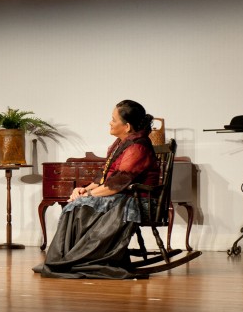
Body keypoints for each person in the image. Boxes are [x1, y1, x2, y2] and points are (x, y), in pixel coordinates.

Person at [33, 99, 160, 279]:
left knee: (82, 205)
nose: (110, 122)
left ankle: (80, 260)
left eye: (114, 120)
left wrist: (89, 195)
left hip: (139, 200)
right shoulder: (121, 143)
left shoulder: (137, 147)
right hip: (124, 195)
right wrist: (83, 190)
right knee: (79, 202)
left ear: (127, 126)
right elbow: (105, 176)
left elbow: (117, 184)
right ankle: (67, 258)